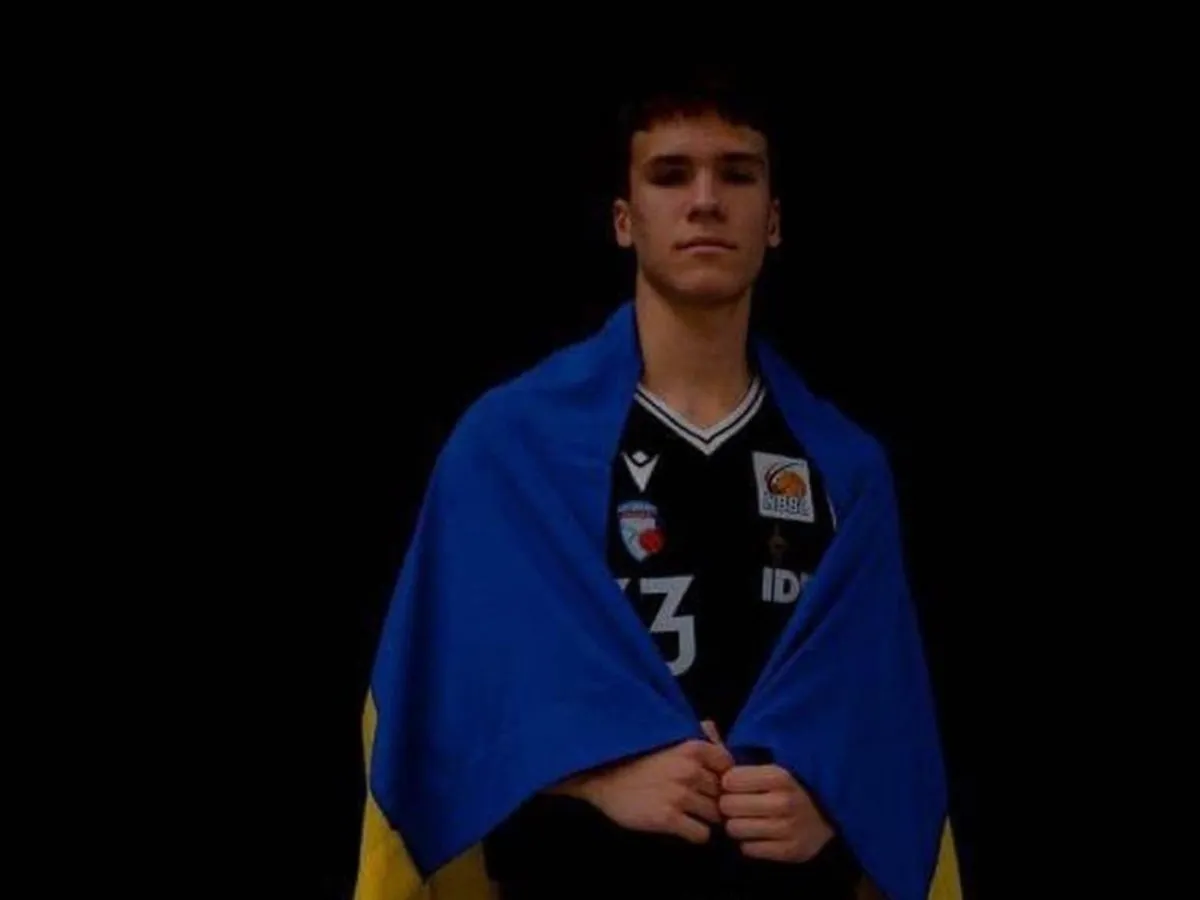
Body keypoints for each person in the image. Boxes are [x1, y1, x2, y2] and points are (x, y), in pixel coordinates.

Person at [354, 68, 961, 900]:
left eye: (736, 174)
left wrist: (833, 805)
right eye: (671, 175)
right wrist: (594, 775)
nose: (705, 201)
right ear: (624, 219)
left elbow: (893, 733)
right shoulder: (508, 449)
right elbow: (437, 714)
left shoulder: (849, 471)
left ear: (773, 220)